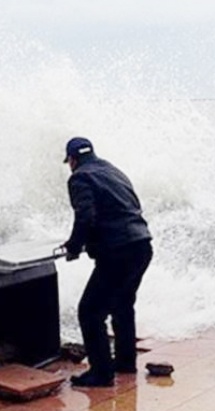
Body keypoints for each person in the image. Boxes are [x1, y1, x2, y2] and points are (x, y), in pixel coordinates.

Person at [59, 137, 153, 387]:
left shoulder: (79, 177)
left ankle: (101, 373)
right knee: (123, 305)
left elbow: (86, 216)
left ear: (72, 160)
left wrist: (74, 246)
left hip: (118, 252)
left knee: (90, 312)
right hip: (141, 245)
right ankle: (125, 362)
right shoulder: (113, 170)